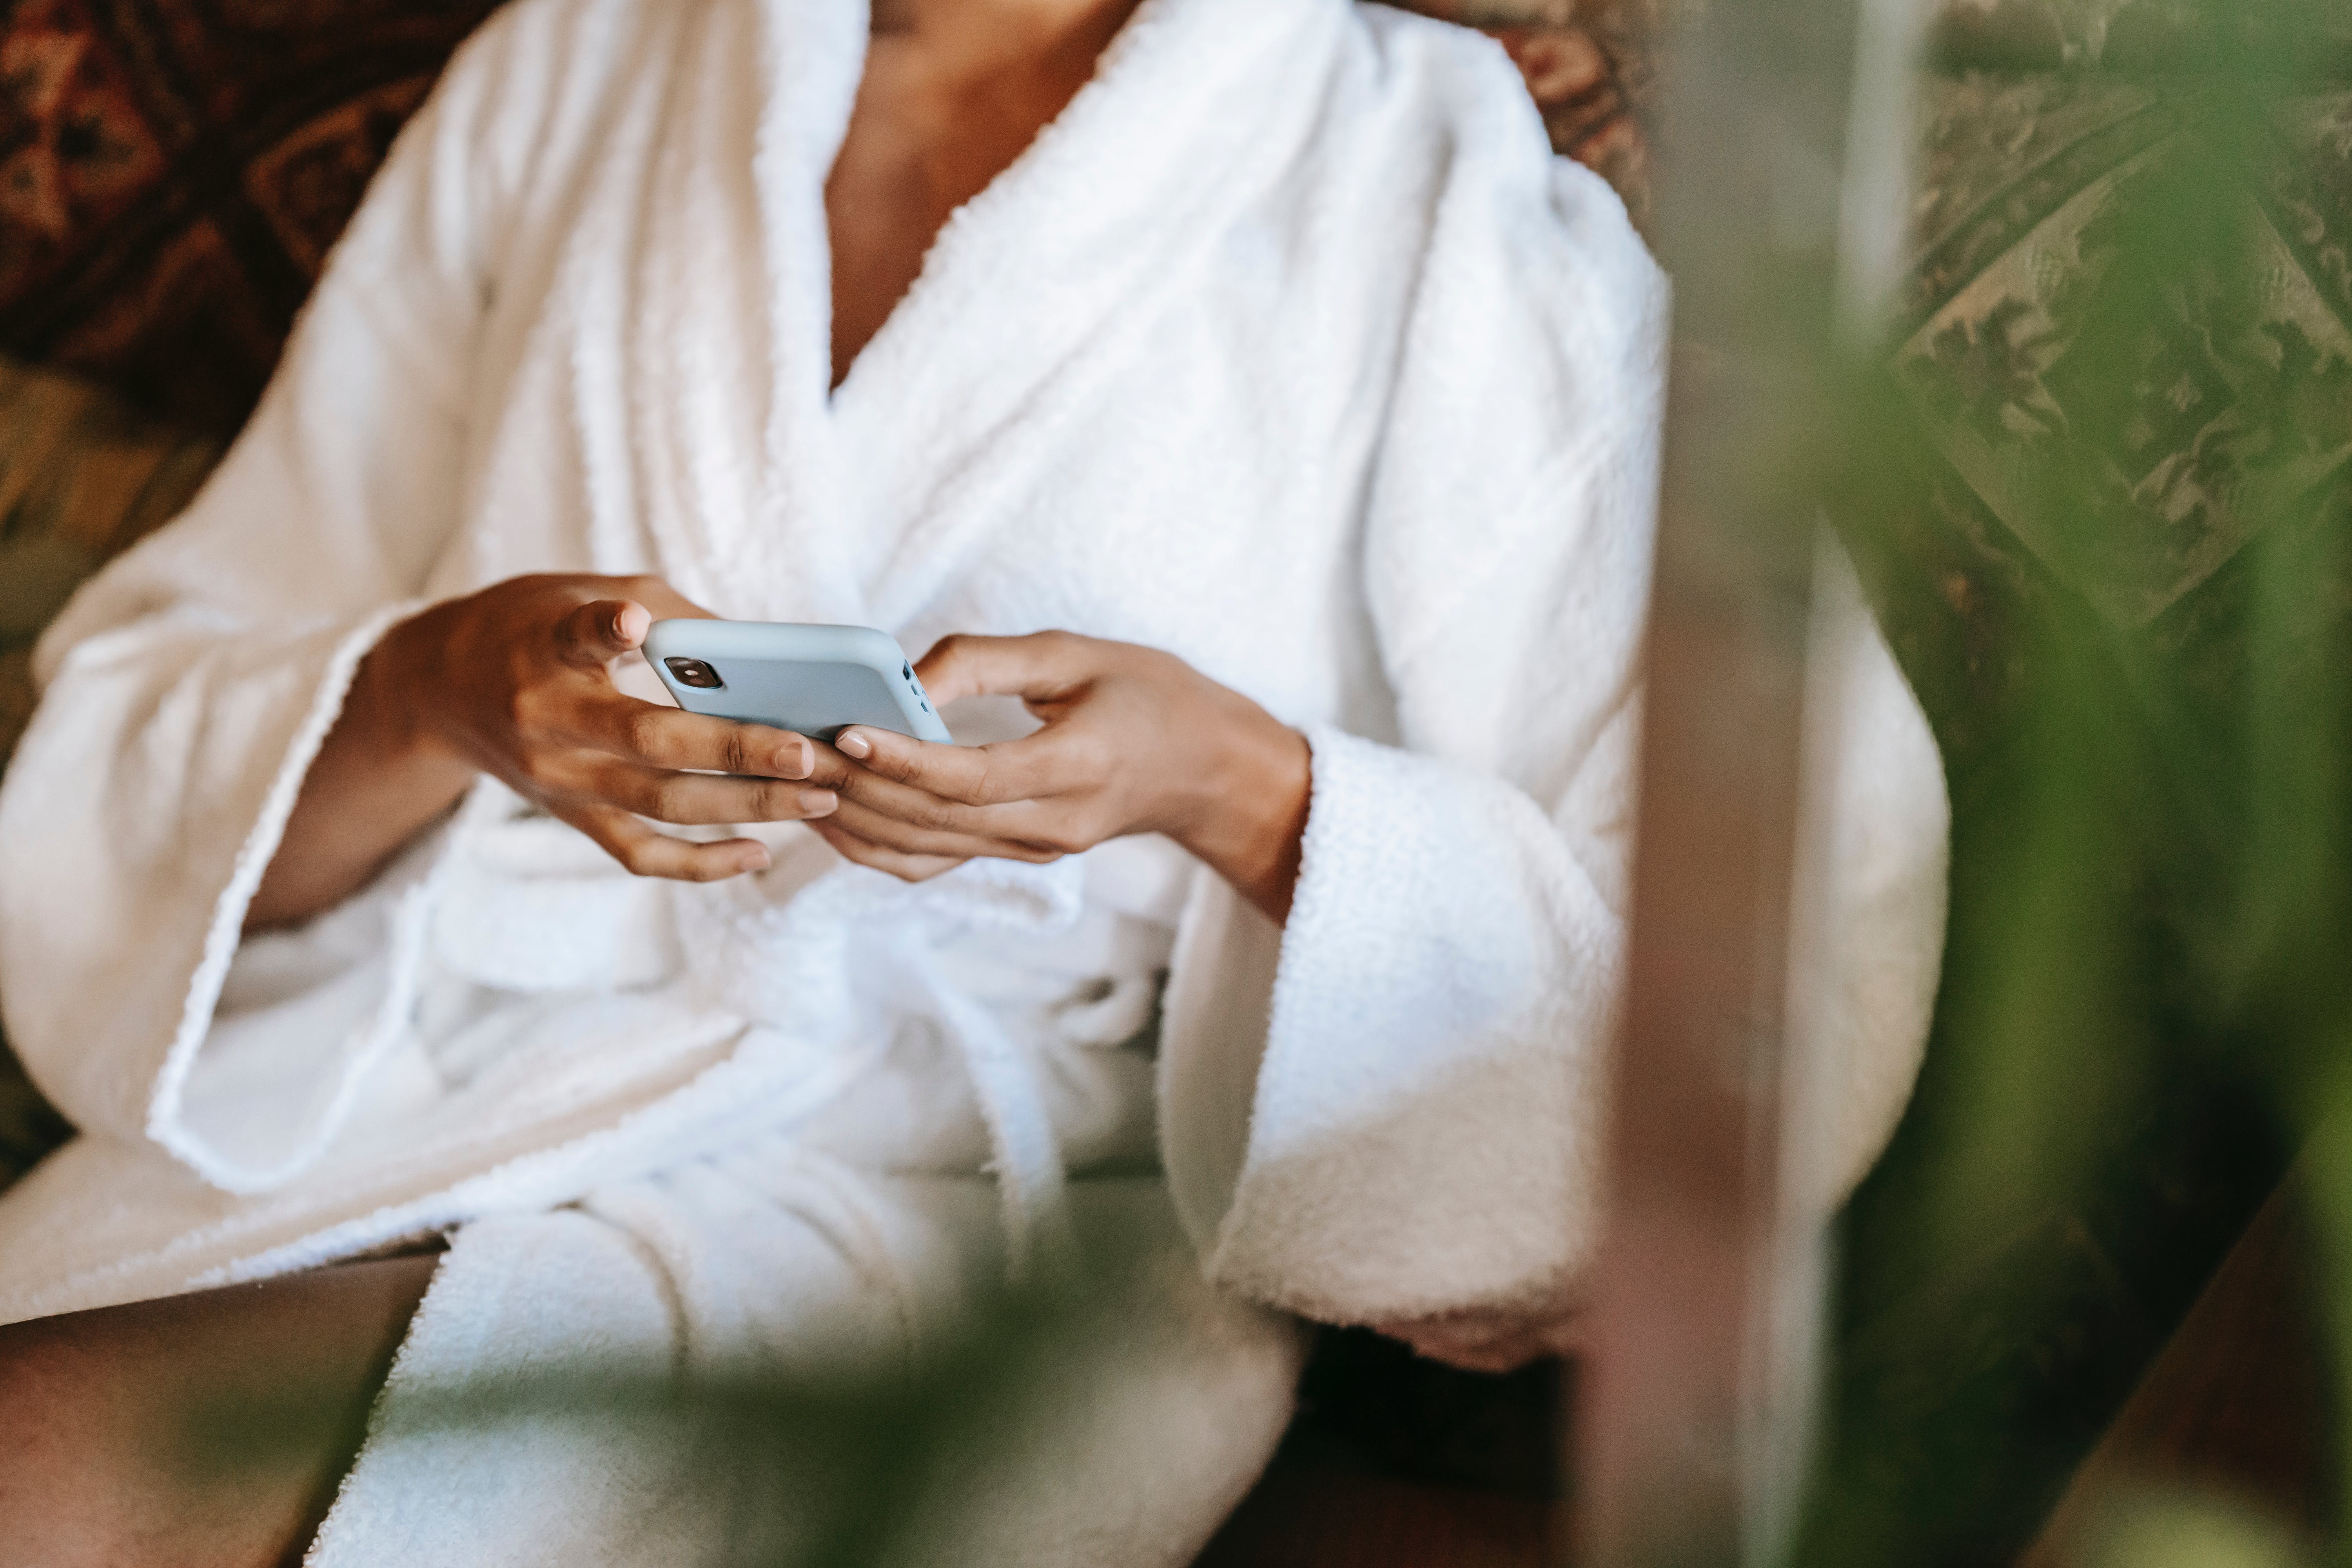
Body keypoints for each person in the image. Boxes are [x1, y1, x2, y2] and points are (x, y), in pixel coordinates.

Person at [0, 0, 1951, 1561]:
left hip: (956, 1250)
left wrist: (1239, 790)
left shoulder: (1414, 175)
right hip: (414, 1084)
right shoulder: (579, 61)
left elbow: (1783, 901)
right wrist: (449, 689)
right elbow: (153, 734)